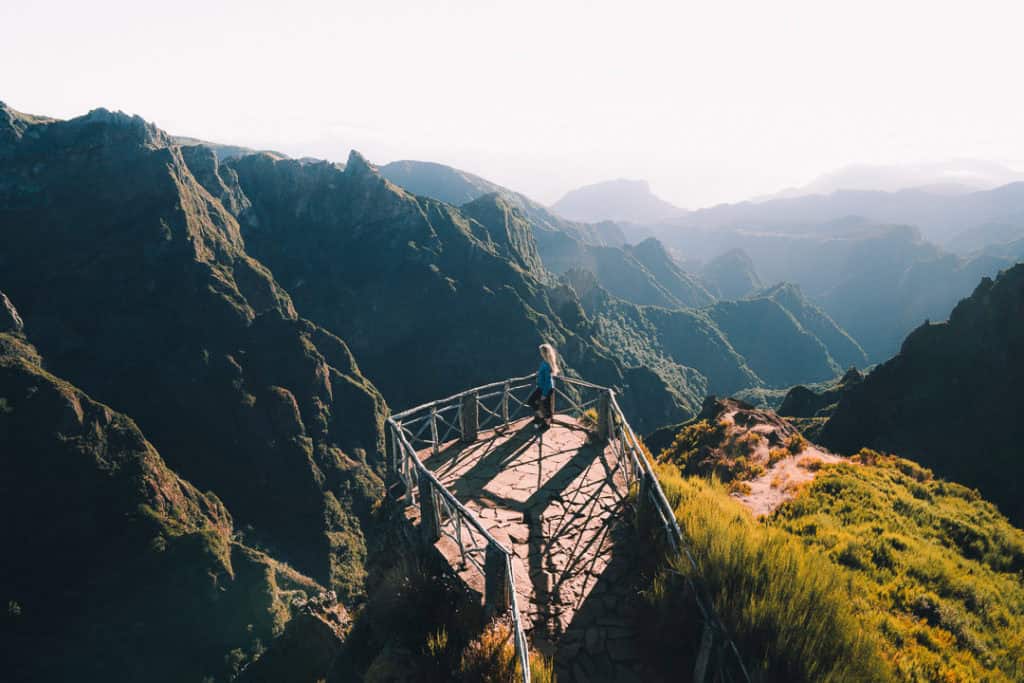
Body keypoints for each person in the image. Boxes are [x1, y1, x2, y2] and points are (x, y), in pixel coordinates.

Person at [528, 343, 559, 431]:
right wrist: (538, 374)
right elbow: (544, 375)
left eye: (541, 351)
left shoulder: (546, 365)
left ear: (544, 353)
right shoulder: (545, 362)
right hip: (542, 387)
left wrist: (545, 394)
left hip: (546, 389)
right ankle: (541, 417)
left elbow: (548, 381)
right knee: (531, 401)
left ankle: (547, 424)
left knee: (546, 406)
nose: (540, 353)